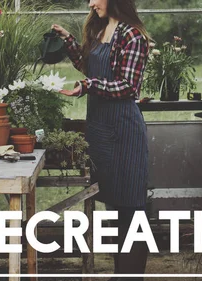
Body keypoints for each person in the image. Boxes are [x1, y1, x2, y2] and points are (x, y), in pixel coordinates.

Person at [52, 0, 151, 279]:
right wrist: (69, 42)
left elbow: (128, 86)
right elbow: (90, 67)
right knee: (114, 206)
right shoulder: (100, 31)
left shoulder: (132, 35)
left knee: (130, 209)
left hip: (124, 131)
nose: (91, 3)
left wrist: (88, 86)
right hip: (101, 129)